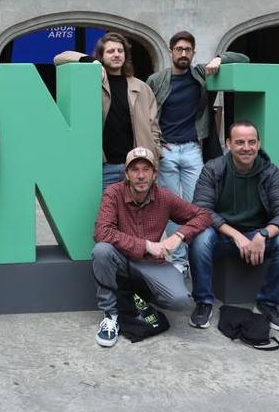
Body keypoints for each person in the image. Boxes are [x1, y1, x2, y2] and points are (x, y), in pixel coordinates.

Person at [91, 147, 213, 348]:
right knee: (101, 250)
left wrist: (178, 236)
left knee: (180, 300)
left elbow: (203, 215)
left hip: (152, 265)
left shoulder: (164, 197)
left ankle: (137, 298)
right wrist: (146, 245)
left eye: (146, 170)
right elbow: (101, 232)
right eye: (135, 170)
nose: (140, 176)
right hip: (121, 259)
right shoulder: (113, 193)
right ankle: (110, 315)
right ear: (127, 174)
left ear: (155, 174)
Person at [147, 31, 248, 271]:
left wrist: (220, 58)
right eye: (179, 49)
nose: (183, 54)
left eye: (188, 50)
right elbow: (148, 115)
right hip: (166, 150)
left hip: (193, 149)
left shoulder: (201, 73)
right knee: (171, 207)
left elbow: (243, 59)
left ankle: (197, 257)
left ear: (193, 53)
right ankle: (180, 262)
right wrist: (156, 145)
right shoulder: (156, 80)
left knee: (198, 207)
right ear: (170, 52)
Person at [188, 121, 279, 332]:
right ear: (228, 144)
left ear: (258, 144)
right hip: (222, 236)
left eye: (251, 142)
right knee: (200, 237)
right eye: (239, 142)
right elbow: (201, 210)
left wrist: (264, 234)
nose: (246, 147)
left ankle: (268, 304)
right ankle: (203, 301)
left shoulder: (269, 172)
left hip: (258, 236)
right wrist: (235, 235)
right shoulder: (214, 168)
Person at [54, 32, 162, 189]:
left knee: (136, 213)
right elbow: (60, 58)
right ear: (101, 56)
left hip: (136, 166)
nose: (116, 54)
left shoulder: (142, 88)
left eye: (120, 51)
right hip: (104, 167)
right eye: (110, 51)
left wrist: (155, 153)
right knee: (106, 212)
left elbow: (154, 127)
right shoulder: (93, 83)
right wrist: (90, 62)